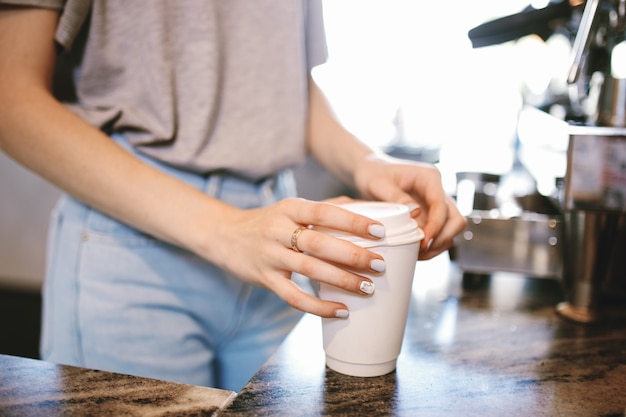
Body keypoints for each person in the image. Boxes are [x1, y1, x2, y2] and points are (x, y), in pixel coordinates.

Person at [0, 1, 466, 391]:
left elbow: (282, 84)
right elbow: (9, 93)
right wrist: (226, 230)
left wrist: (367, 163)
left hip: (277, 248)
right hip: (137, 254)